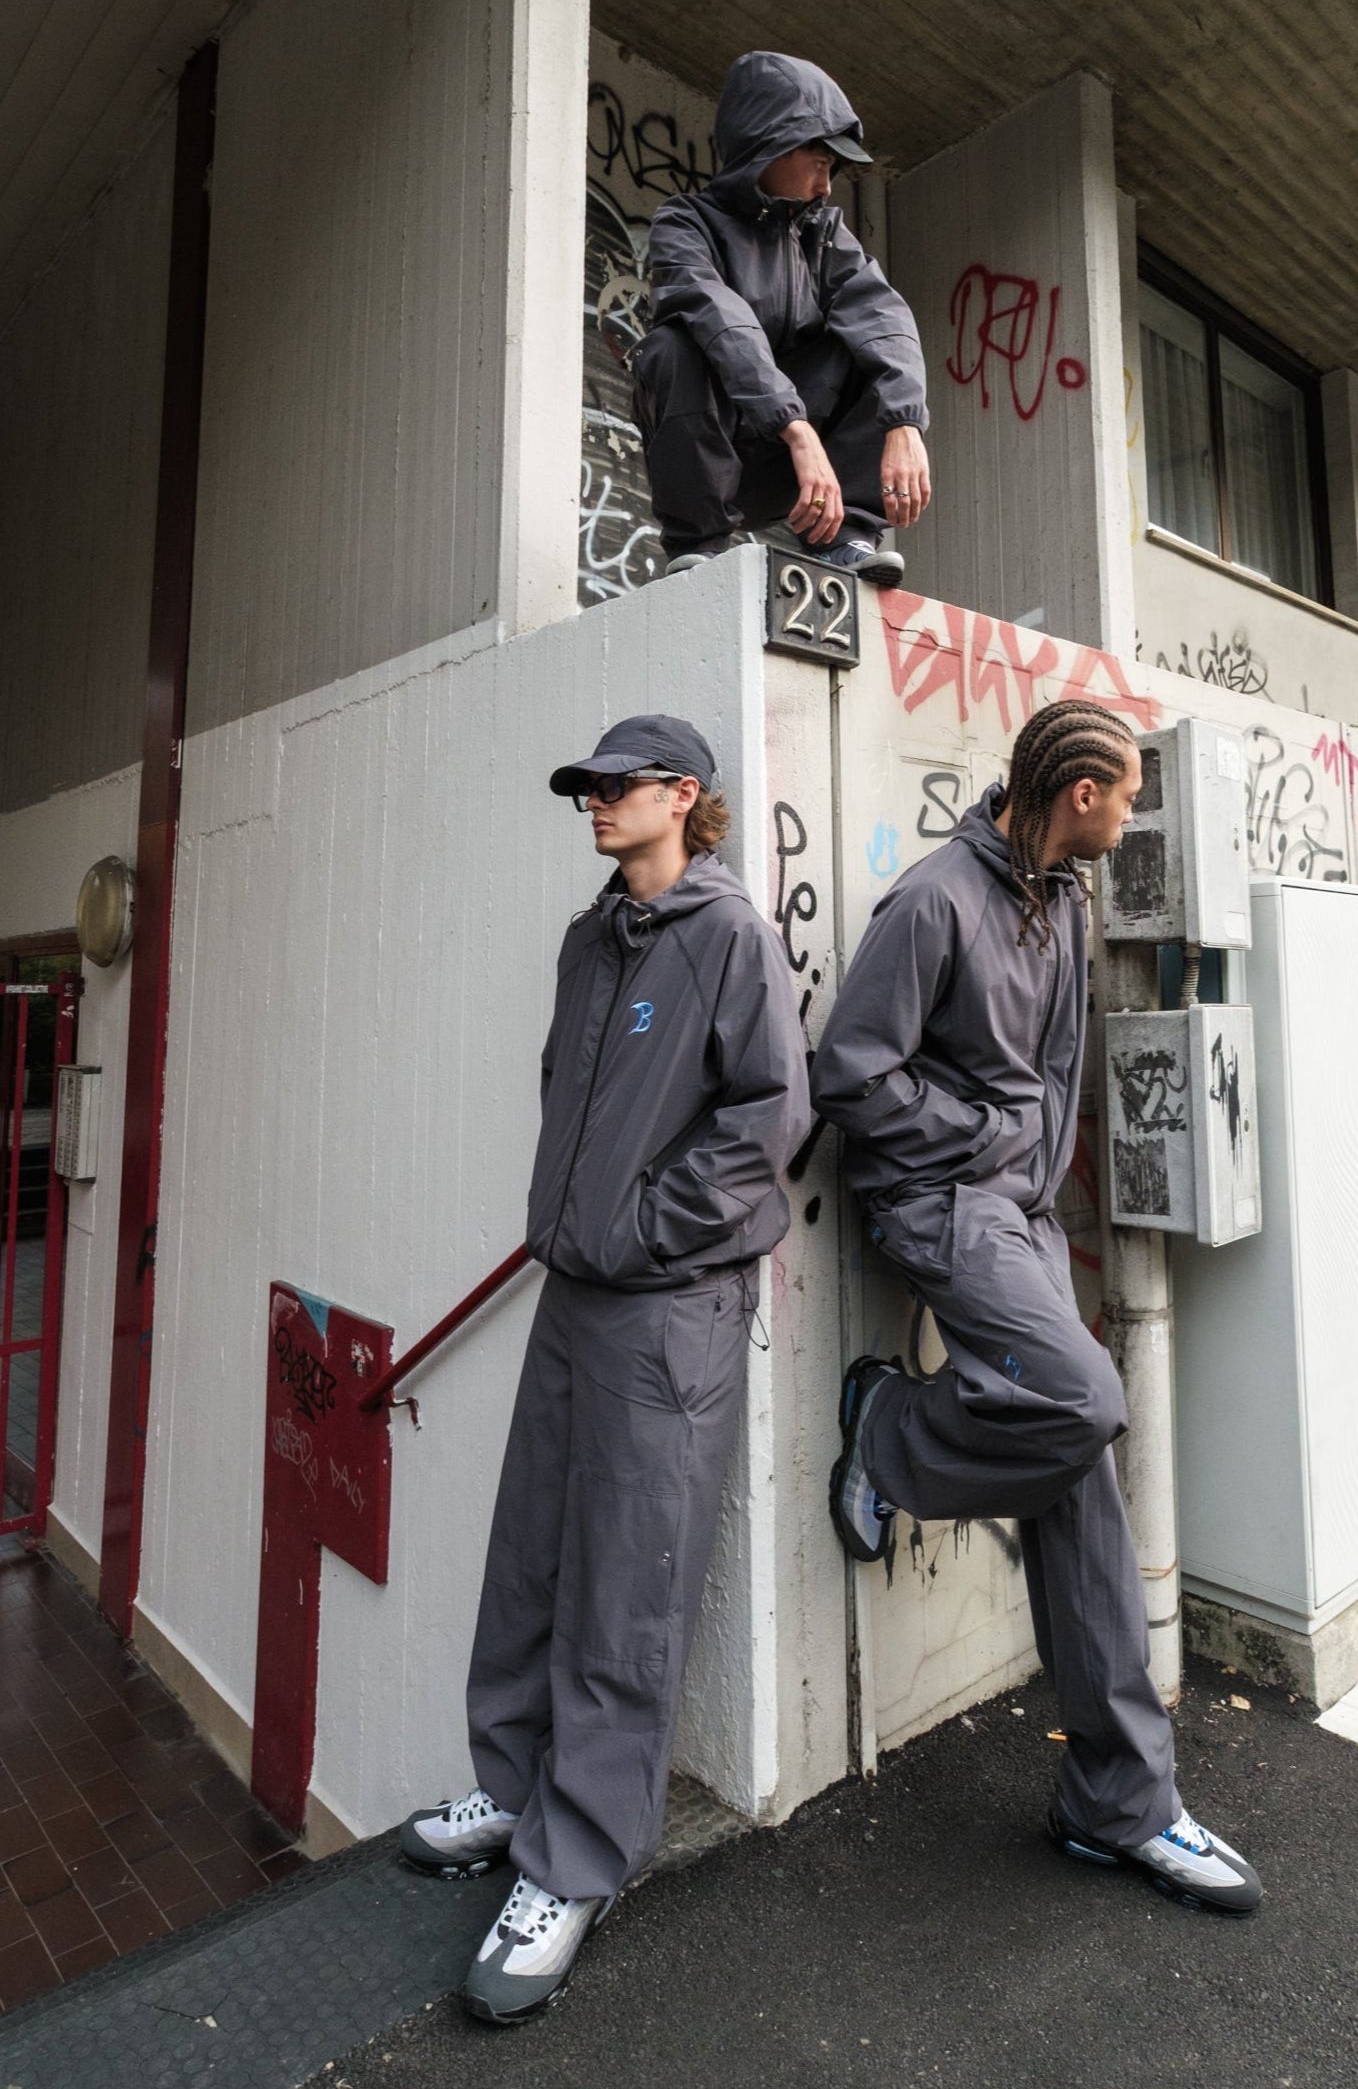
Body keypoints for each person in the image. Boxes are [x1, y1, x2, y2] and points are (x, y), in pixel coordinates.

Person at [811, 699, 1262, 1915]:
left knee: (1078, 1471)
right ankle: (890, 1432)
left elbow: (1048, 1073)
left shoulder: (1063, 895)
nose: (1133, 810)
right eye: (1123, 792)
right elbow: (848, 1070)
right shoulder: (934, 900)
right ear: (1078, 794)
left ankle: (1116, 1801)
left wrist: (1032, 1167)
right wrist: (986, 1138)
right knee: (1083, 1397)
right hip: (940, 1204)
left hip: (1013, 1215)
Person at [399, 714, 812, 2021]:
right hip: (574, 1291)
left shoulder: (729, 935)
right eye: (585, 786)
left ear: (684, 797)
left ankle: (572, 1859)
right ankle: (513, 1781)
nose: (593, 801)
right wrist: (576, 1224)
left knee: (631, 1576)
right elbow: (563, 1095)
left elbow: (769, 1121)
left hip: (668, 1307)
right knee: (531, 1548)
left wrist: (640, 1226)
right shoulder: (592, 939)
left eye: (615, 785)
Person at [631, 50, 931, 586]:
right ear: (770, 147)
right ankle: (701, 544)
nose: (826, 186)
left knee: (869, 344)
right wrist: (795, 428)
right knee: (673, 346)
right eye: (820, 164)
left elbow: (884, 316)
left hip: (805, 477)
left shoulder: (825, 236)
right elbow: (726, 326)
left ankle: (848, 538)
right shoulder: (686, 223)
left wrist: (904, 420)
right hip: (720, 455)